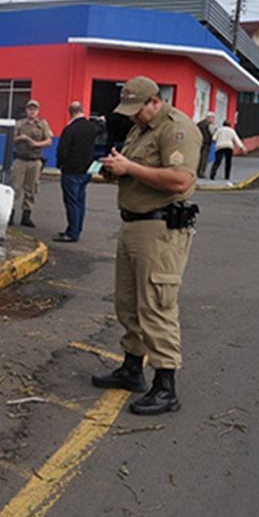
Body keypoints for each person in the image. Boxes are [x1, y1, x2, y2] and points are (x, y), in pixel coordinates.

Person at [94, 76, 201, 416]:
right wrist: (117, 170)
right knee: (128, 302)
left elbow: (181, 180)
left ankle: (165, 386)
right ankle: (131, 368)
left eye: (136, 110)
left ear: (154, 101)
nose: (132, 117)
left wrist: (130, 167)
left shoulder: (176, 128)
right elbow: (137, 169)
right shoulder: (139, 130)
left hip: (160, 227)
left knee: (156, 304)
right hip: (133, 224)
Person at [53, 102, 105, 242]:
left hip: (71, 170)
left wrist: (60, 165)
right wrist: (101, 121)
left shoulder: (70, 129)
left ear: (70, 112)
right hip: (86, 169)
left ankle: (72, 232)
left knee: (71, 202)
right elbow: (101, 129)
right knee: (80, 201)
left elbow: (62, 151)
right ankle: (77, 229)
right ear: (82, 110)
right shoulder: (91, 127)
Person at [9, 99, 53, 227]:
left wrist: (35, 143)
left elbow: (49, 141)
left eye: (34, 109)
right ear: (26, 110)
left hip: (35, 161)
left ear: (38, 111)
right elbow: (11, 139)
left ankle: (26, 216)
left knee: (31, 189)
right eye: (30, 108)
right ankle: (10, 214)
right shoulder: (20, 124)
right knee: (14, 188)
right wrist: (20, 138)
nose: (32, 111)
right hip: (20, 159)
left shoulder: (43, 124)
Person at [196, 112, 215, 178]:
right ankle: (201, 173)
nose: (214, 120)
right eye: (213, 118)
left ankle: (196, 171)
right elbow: (212, 133)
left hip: (199, 142)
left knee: (198, 157)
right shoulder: (209, 125)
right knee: (204, 158)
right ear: (210, 118)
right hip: (206, 143)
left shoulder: (199, 124)